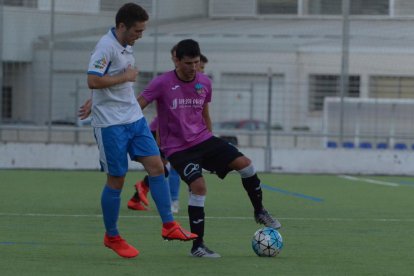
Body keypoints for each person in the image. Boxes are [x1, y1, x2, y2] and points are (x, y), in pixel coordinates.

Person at [138, 39, 282, 258]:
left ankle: (260, 210)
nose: (193, 68)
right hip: (177, 148)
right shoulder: (162, 83)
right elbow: (136, 106)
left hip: (203, 140)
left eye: (196, 62)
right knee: (199, 187)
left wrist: (213, 140)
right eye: (188, 63)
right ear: (176, 60)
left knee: (246, 165)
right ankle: (198, 246)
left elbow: (205, 113)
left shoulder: (204, 82)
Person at [85, 3, 196, 259]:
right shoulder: (105, 46)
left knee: (158, 167)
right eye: (137, 30)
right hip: (110, 124)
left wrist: (95, 97)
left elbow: (104, 83)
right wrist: (124, 78)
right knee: (117, 178)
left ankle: (169, 226)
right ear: (122, 26)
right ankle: (111, 236)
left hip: (133, 118)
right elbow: (93, 79)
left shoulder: (126, 45)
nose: (141, 35)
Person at [128, 47, 209, 214]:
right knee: (170, 169)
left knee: (163, 169)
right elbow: (163, 113)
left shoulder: (199, 86)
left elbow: (201, 115)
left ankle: (137, 196)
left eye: (200, 66)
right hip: (162, 132)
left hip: (180, 135)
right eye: (197, 66)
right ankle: (172, 201)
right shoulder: (170, 82)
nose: (197, 70)